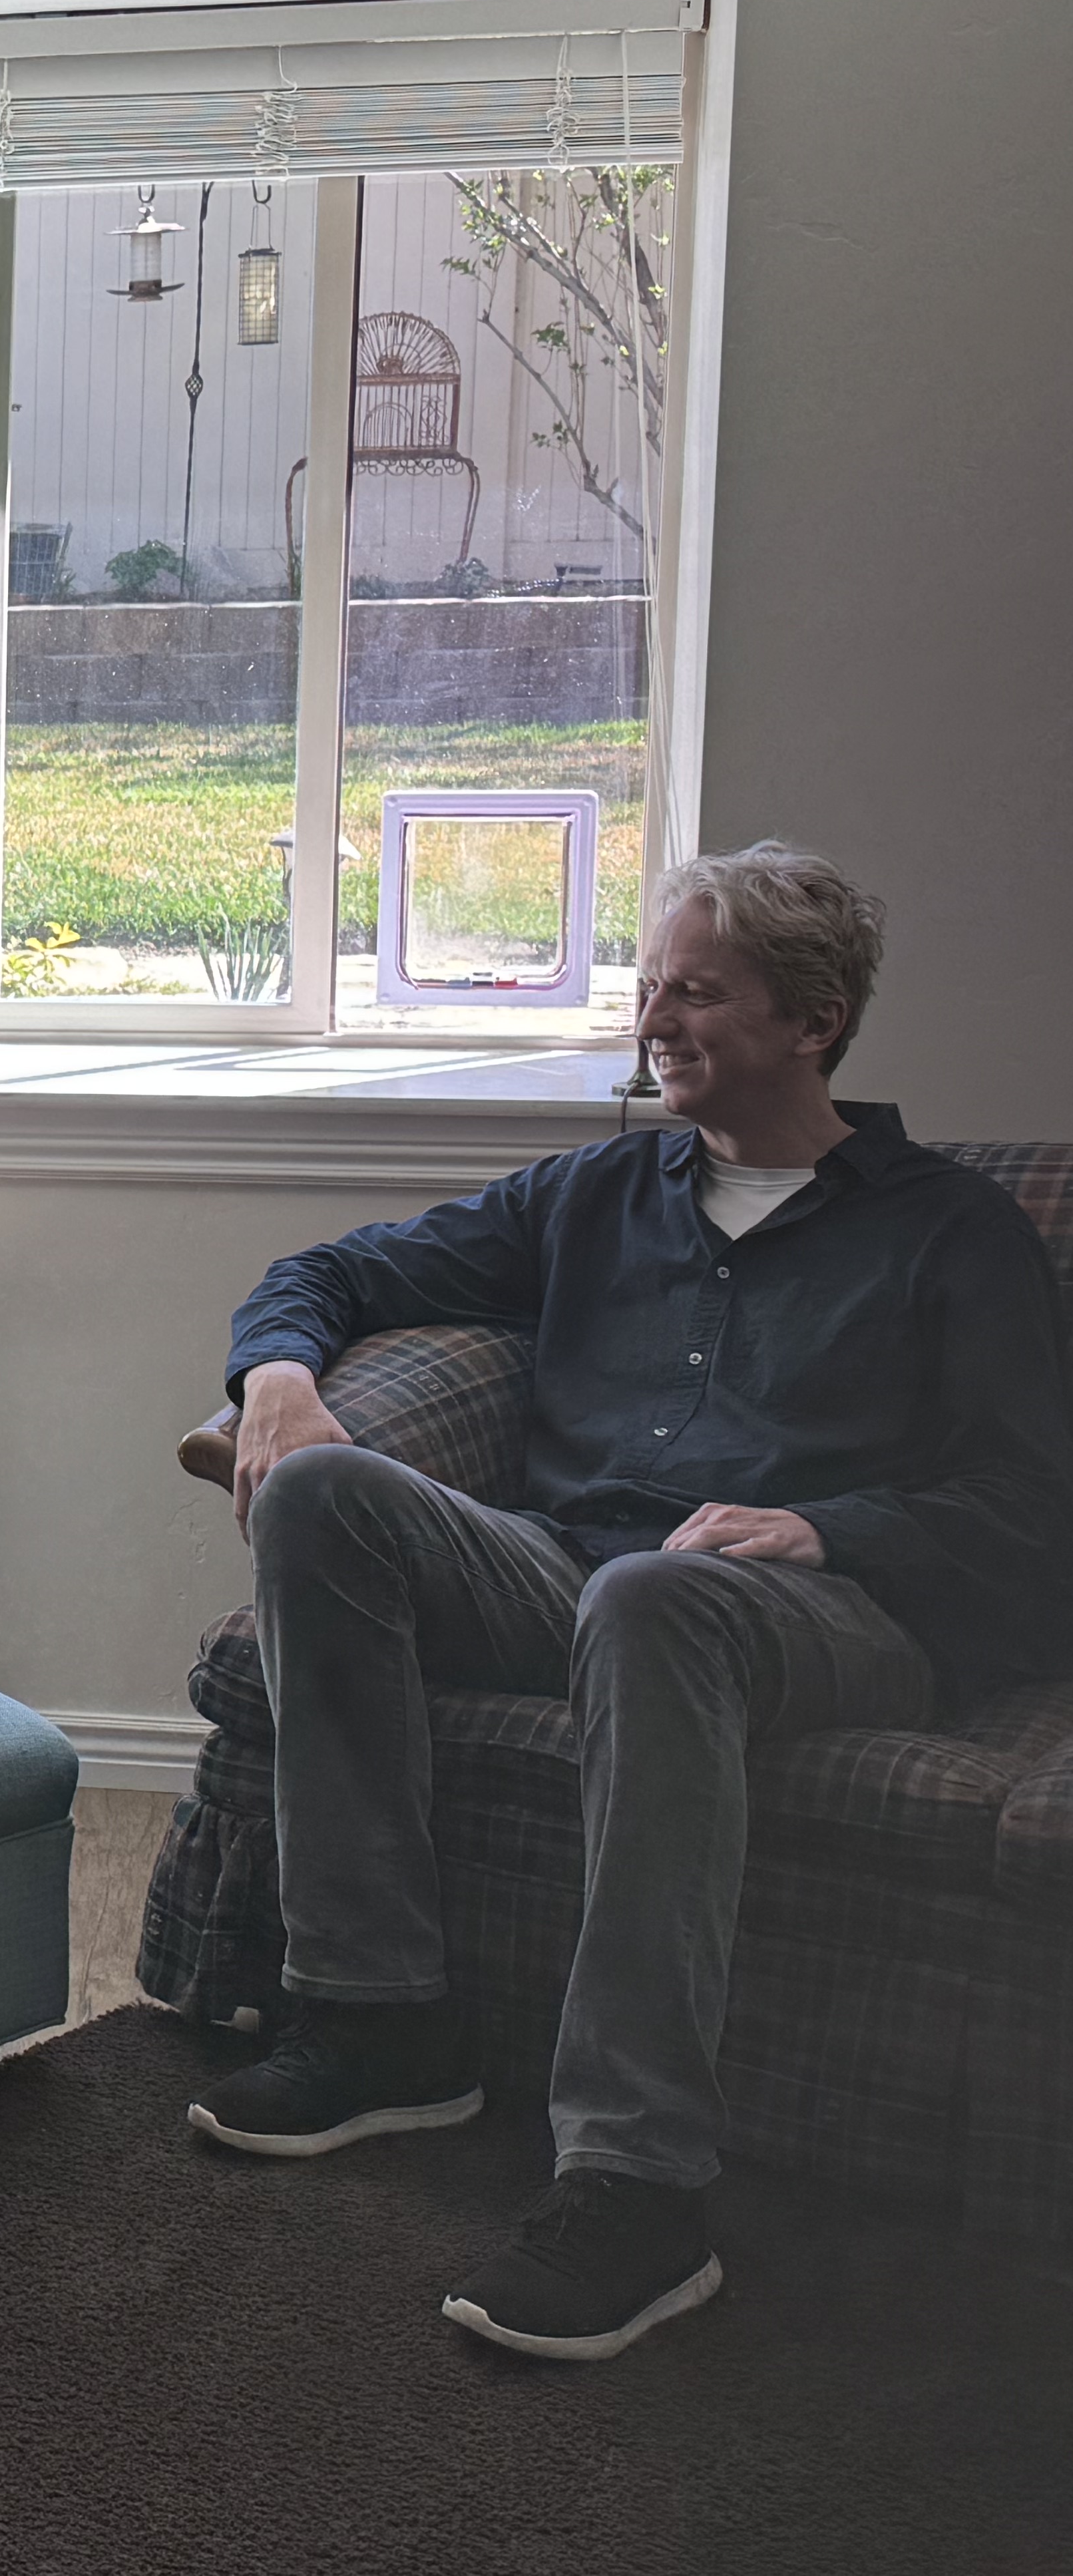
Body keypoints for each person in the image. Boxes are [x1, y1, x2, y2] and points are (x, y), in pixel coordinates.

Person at [195, 841, 1073, 2362]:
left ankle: (637, 2183)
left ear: (817, 1020)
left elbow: (1031, 1510)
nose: (657, 1017)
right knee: (335, 1495)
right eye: (651, 984)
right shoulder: (599, 1193)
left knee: (660, 1600)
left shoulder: (950, 1234)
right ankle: (383, 2017)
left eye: (699, 992)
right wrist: (277, 1383)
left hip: (827, 1617)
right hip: (576, 1574)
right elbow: (326, 1274)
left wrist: (822, 1523)